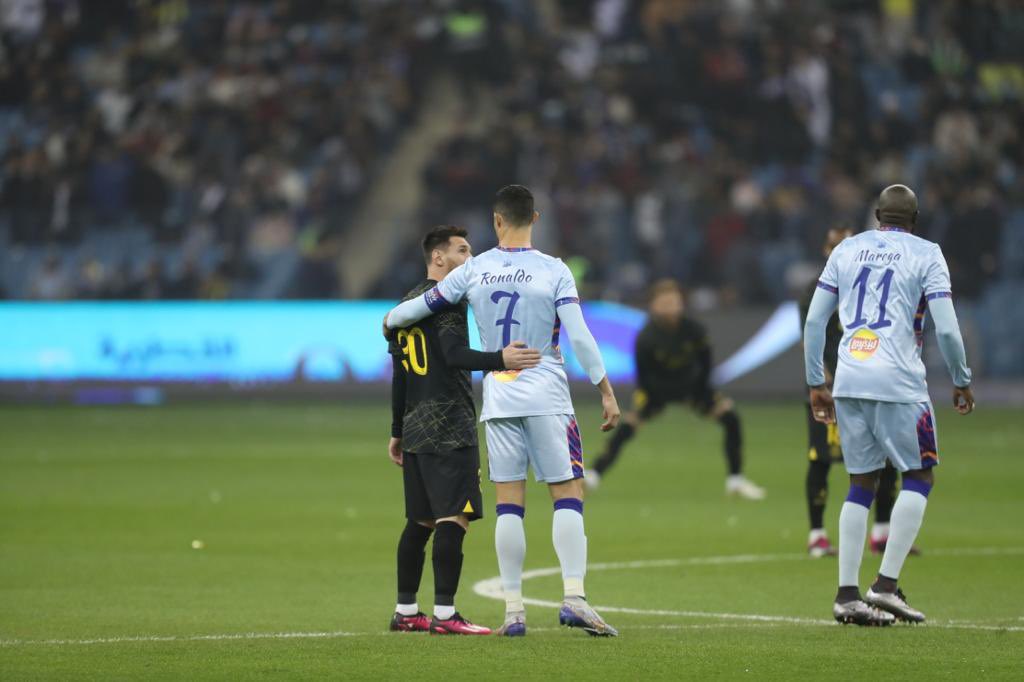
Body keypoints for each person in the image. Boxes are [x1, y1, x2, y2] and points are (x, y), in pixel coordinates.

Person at [386, 185, 622, 637]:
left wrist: (390, 320)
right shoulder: (555, 270)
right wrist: (605, 390)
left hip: (498, 398)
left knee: (509, 504)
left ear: (496, 221)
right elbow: (580, 335)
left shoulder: (474, 269)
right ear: (534, 219)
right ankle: (574, 597)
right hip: (547, 395)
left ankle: (514, 610)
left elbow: (419, 307)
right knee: (567, 493)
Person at [804, 184, 974, 626]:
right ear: (914, 220)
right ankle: (884, 586)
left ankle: (846, 595)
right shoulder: (927, 254)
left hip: (848, 377)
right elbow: (949, 331)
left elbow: (815, 320)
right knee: (919, 474)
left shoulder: (846, 249)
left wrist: (815, 383)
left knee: (861, 483)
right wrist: (961, 380)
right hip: (898, 381)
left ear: (876, 214)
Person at [387, 225, 543, 635]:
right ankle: (444, 615)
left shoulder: (406, 304)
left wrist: (396, 429)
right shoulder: (447, 304)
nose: (470, 257)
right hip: (449, 425)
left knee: (418, 522)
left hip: (417, 424)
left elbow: (400, 374)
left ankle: (406, 612)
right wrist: (502, 358)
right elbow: (454, 355)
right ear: (439, 258)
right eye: (462, 249)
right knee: (452, 519)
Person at [585, 279, 766, 500]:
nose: (670, 307)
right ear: (654, 306)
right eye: (665, 302)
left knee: (731, 417)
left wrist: (699, 393)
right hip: (656, 391)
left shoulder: (695, 330)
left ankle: (735, 480)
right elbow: (644, 377)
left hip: (692, 387)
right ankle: (594, 474)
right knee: (625, 426)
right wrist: (655, 400)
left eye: (674, 302)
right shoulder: (647, 337)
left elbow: (706, 364)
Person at [800, 228, 909, 557]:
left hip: (870, 386)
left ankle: (881, 532)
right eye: (836, 245)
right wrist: (821, 380)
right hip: (832, 389)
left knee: (886, 458)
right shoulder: (815, 291)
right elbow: (810, 336)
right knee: (821, 458)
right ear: (826, 249)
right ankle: (817, 533)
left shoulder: (874, 286)